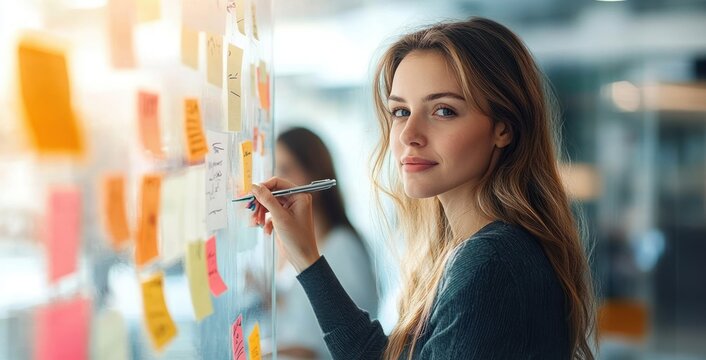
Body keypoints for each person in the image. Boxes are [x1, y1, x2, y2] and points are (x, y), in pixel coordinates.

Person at [249, 17, 596, 359]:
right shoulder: (479, 250)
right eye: (400, 111)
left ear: (503, 128)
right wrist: (304, 255)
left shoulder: (491, 263)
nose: (408, 135)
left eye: (443, 110)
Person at [273, 127, 378, 359]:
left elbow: (346, 339)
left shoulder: (343, 248)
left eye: (284, 168)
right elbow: (310, 314)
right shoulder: (303, 245)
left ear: (314, 175)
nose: (273, 181)